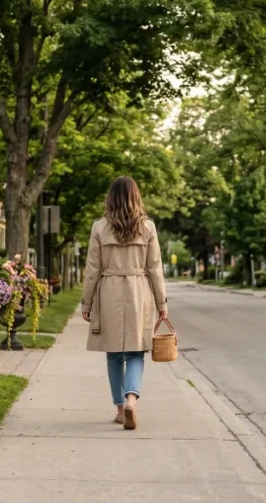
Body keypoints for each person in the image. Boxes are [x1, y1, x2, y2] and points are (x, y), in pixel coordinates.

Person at [81, 176, 169, 430]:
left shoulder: (99, 228)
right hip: (139, 291)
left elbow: (92, 269)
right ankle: (132, 398)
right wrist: (162, 304)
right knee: (135, 352)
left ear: (111, 198)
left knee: (114, 354)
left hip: (108, 291)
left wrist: (87, 303)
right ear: (136, 197)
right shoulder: (148, 228)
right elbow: (155, 269)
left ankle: (120, 408)